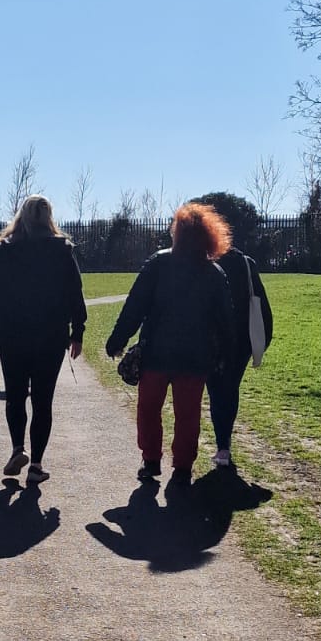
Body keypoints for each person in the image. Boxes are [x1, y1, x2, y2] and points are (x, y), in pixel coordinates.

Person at [105, 202, 234, 484]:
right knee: (187, 415)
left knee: (148, 410)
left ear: (177, 232)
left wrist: (117, 340)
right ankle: (183, 465)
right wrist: (225, 355)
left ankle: (151, 459)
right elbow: (226, 320)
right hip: (195, 357)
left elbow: (134, 306)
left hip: (156, 353)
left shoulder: (158, 263)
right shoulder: (214, 274)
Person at [0, 195, 87, 484]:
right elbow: (75, 293)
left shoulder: (6, 250)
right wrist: (78, 332)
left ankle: (17, 448)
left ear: (21, 216)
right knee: (43, 400)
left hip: (13, 333)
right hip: (51, 335)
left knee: (15, 396)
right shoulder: (62, 250)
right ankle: (37, 464)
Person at [209, 244, 273, 468]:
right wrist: (263, 340)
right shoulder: (246, 263)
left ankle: (222, 445)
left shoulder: (207, 262)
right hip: (242, 341)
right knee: (230, 388)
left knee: (217, 392)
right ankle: (225, 445)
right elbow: (262, 304)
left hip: (214, 340)